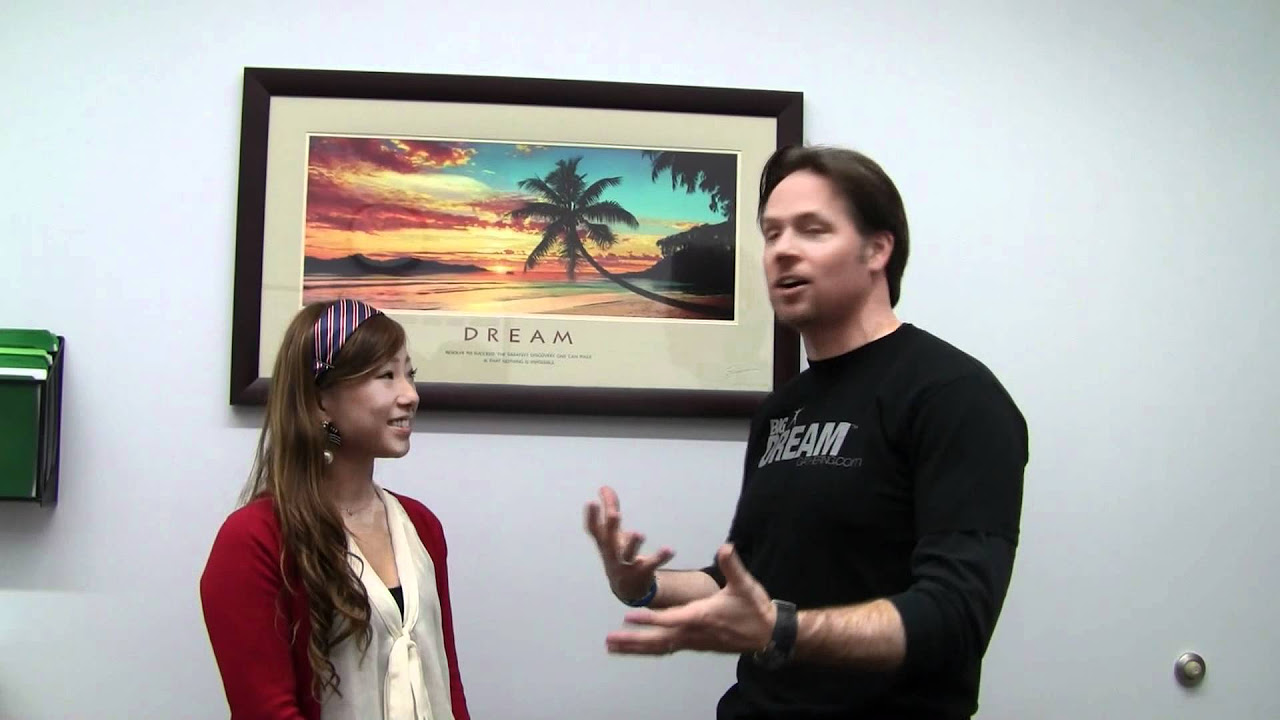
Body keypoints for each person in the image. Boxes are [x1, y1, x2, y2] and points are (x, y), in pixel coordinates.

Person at [585, 145, 1029, 719]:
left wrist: (781, 628)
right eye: (772, 234)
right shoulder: (781, 411)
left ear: (878, 249)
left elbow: (956, 617)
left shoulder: (954, 395)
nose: (783, 249)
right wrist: (641, 586)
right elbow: (745, 579)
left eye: (812, 230)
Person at [200, 299, 470, 720]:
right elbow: (264, 710)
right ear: (321, 399)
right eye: (386, 376)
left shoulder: (421, 526)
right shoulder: (255, 539)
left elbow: (448, 685)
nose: (410, 395)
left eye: (410, 374)